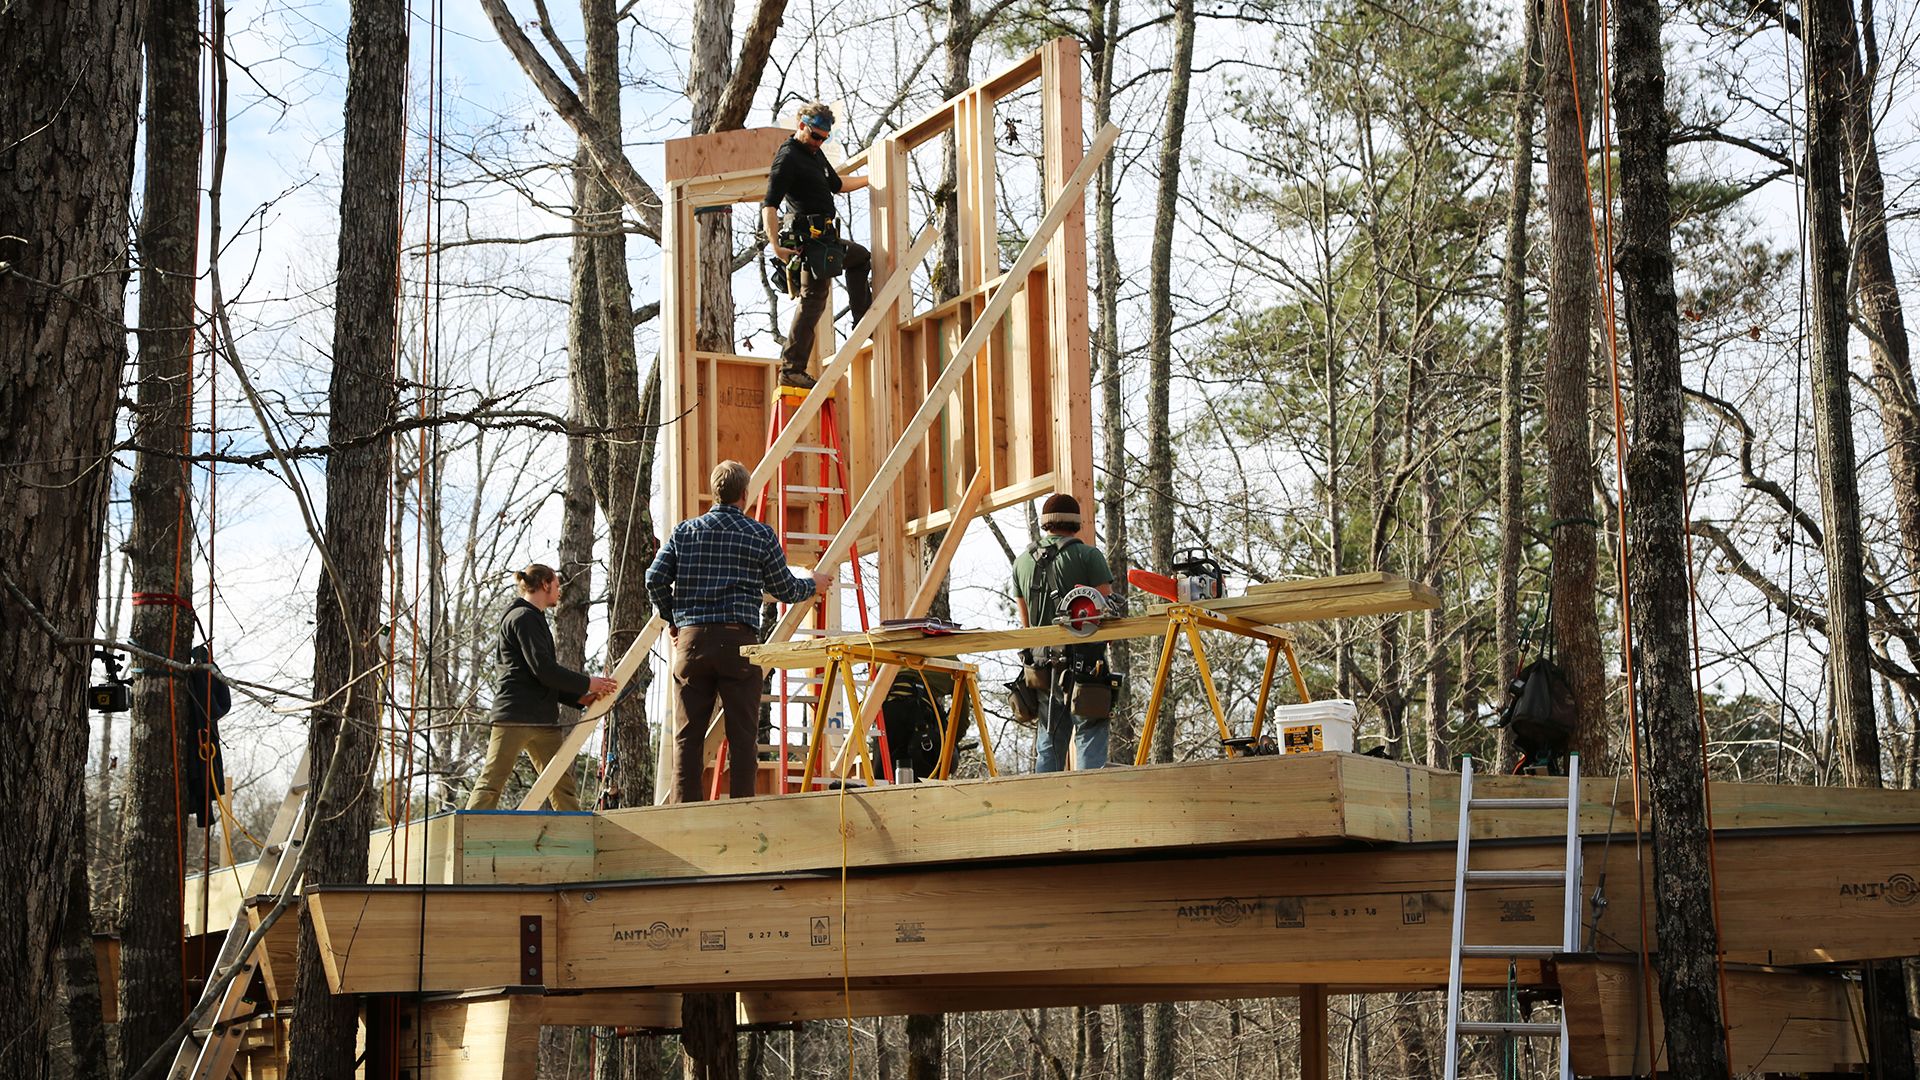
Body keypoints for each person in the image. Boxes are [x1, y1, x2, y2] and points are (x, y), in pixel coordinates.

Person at [647, 459, 831, 801]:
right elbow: (787, 589)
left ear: (715, 493)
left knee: (688, 736)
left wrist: (673, 619)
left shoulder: (686, 532)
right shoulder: (759, 534)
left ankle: (686, 815)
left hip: (692, 641)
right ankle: (743, 811)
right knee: (743, 735)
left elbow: (654, 578)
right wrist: (814, 584)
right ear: (745, 495)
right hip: (739, 644)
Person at [466, 564, 618, 811]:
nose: (559, 592)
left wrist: (579, 698)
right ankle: (468, 834)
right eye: (557, 586)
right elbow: (544, 670)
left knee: (561, 785)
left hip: (542, 719)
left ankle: (574, 839)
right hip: (514, 717)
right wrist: (589, 682)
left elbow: (540, 676)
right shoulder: (523, 618)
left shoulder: (533, 618)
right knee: (492, 782)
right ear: (545, 584)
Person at [762, 102, 871, 388]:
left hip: (827, 239)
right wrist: (775, 245)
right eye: (815, 136)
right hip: (808, 242)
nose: (819, 142)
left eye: (825, 137)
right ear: (801, 126)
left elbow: (837, 185)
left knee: (860, 258)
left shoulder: (815, 154)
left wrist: (871, 179)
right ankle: (791, 369)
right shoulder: (787, 158)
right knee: (813, 299)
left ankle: (863, 323)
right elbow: (769, 205)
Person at [1011, 493, 1115, 772]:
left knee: (1049, 739)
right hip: (1087, 665)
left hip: (1042, 665)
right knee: (1090, 732)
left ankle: (1047, 807)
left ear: (1045, 523)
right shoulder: (1089, 556)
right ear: (1076, 522)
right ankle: (1090, 804)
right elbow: (1103, 609)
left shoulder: (1022, 563)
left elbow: (1026, 625)